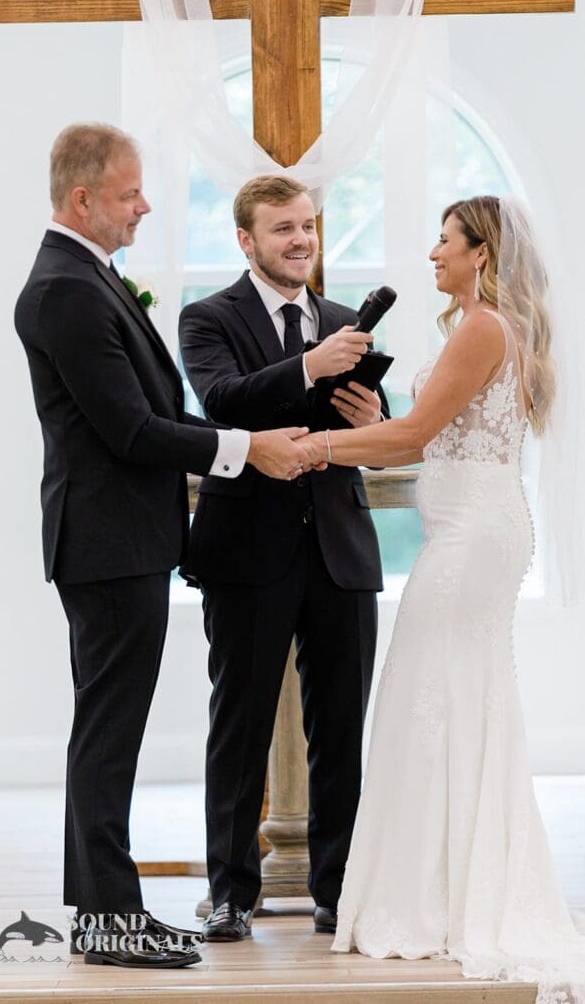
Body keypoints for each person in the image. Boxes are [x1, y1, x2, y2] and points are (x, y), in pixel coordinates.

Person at [296, 196, 585, 1003]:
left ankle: (433, 898)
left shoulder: (481, 326)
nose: (430, 254)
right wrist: (376, 422)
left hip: (471, 540)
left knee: (425, 698)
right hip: (478, 529)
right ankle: (447, 886)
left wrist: (311, 448)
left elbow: (409, 444)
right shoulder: (481, 327)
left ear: (480, 252)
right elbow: (429, 432)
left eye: (442, 241)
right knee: (454, 698)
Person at [15, 125, 313, 969]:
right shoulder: (66, 289)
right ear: (82, 200)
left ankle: (111, 915)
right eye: (129, 193)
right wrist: (244, 447)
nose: (144, 205)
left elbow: (156, 415)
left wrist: (238, 436)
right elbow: (129, 430)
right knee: (107, 737)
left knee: (109, 733)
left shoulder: (89, 278)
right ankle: (110, 923)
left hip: (125, 542)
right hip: (106, 544)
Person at [179, 175, 388, 942]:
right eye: (281, 229)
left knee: (341, 727)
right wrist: (309, 366)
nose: (301, 240)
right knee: (238, 728)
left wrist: (371, 412)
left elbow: (367, 435)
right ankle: (231, 893)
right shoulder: (207, 318)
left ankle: (336, 889)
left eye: (306, 225)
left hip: (340, 550)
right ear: (245, 240)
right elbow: (222, 401)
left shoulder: (342, 322)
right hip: (246, 553)